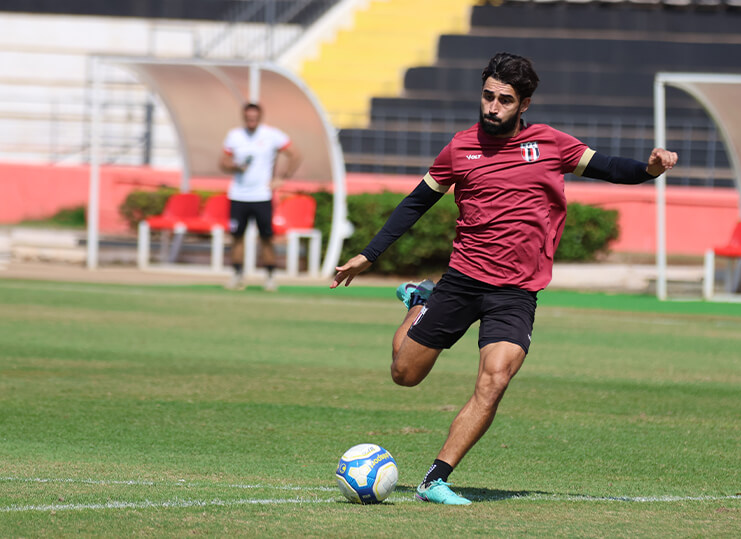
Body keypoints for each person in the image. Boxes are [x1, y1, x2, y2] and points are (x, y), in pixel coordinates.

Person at [330, 52, 678, 505]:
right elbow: (415, 203)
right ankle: (421, 297)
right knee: (404, 374)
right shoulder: (459, 148)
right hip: (461, 283)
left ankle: (434, 480)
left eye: (505, 100)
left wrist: (650, 169)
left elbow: (613, 168)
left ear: (525, 104)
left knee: (494, 380)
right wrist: (368, 255)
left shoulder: (551, 144)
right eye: (488, 96)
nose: (493, 107)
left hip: (515, 293)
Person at [219, 102, 302, 291]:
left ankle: (270, 276)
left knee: (266, 237)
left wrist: (282, 178)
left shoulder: (272, 135)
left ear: (260, 117)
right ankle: (237, 275)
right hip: (238, 195)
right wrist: (234, 166)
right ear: (243, 117)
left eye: (254, 117)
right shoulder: (235, 136)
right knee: (237, 237)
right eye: (248, 117)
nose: (251, 120)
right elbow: (223, 161)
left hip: (262, 196)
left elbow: (295, 154)